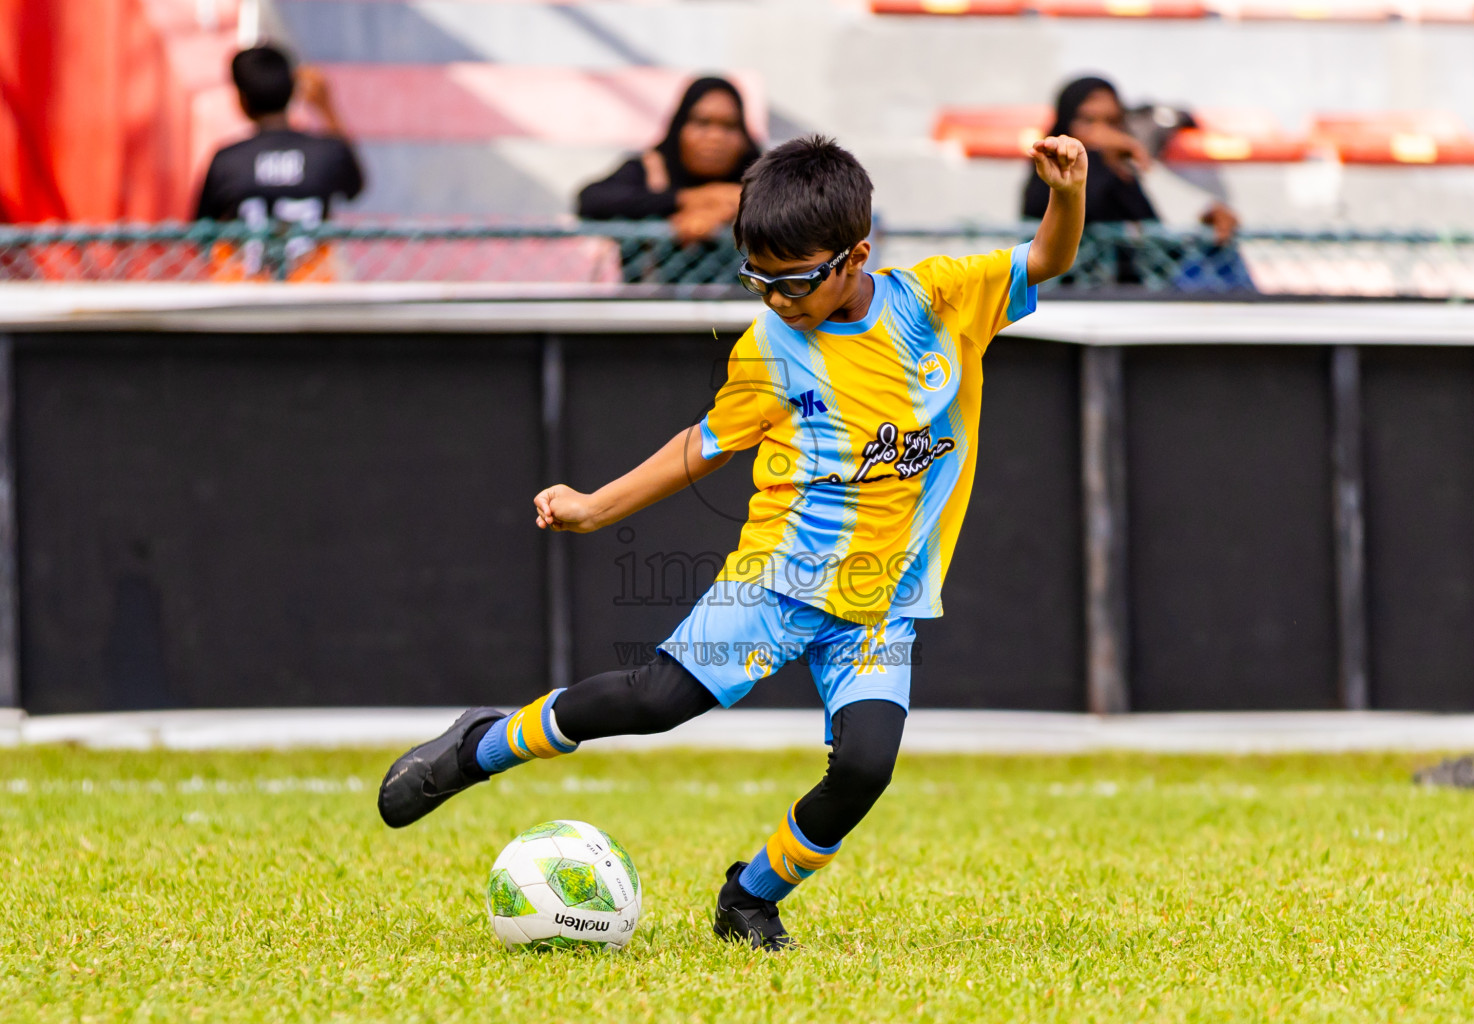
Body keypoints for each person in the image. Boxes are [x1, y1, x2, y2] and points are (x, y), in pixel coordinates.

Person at [378, 133, 1087, 951]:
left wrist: (1066, 192)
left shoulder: (941, 301)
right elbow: (701, 445)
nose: (775, 297)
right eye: (757, 278)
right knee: (655, 705)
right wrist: (597, 507)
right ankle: (484, 743)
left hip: (879, 607)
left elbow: (1049, 256)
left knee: (864, 769)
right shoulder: (769, 348)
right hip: (777, 581)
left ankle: (749, 897)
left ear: (857, 254)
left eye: (794, 280)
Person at [1023, 76, 1243, 288]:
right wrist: (1099, 159)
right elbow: (1078, 207)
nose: (1101, 132)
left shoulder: (1121, 171)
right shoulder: (1046, 172)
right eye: (1088, 121)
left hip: (1138, 289)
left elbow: (1157, 234)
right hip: (1068, 291)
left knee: (1222, 252)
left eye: (1112, 122)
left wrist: (1205, 224)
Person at [577, 77, 761, 245]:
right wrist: (686, 199)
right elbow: (591, 199)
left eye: (729, 126)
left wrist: (726, 210)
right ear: (679, 127)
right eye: (702, 123)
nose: (715, 137)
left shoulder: (758, 174)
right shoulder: (653, 166)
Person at [194, 45, 364, 226]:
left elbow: (202, 228)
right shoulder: (326, 152)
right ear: (292, 90)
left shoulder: (227, 161)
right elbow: (354, 187)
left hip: (246, 254)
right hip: (308, 254)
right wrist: (326, 108)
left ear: (243, 100)